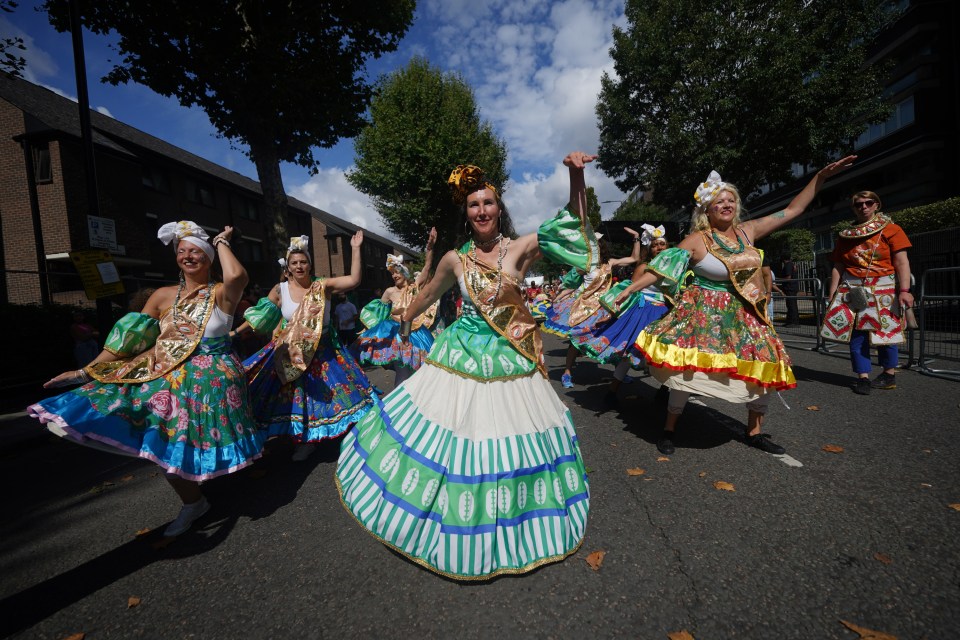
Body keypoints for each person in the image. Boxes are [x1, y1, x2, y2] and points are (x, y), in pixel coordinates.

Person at [336, 153, 594, 579]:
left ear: (499, 207)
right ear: (467, 212)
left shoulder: (521, 248)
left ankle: (516, 517)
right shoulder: (456, 258)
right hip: (461, 352)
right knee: (458, 432)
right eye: (473, 205)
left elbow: (572, 224)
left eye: (488, 203)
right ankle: (452, 512)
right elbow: (427, 296)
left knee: (508, 432)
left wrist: (576, 175)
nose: (481, 211)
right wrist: (402, 320)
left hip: (510, 354)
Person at [29, 221, 262, 537]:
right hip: (167, 379)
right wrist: (86, 371)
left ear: (209, 257)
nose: (188, 256)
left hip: (213, 382)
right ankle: (194, 503)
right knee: (166, 448)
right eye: (182, 251)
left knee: (198, 446)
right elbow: (128, 342)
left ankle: (199, 491)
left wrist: (221, 240)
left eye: (196, 251)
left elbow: (237, 275)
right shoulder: (161, 296)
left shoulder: (221, 293)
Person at [616, 157, 856, 456]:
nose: (726, 204)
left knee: (764, 366)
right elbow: (658, 270)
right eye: (719, 201)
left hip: (746, 312)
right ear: (707, 209)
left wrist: (820, 176)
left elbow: (794, 209)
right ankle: (669, 428)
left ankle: (754, 431)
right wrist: (628, 290)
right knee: (688, 370)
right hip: (704, 314)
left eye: (731, 200)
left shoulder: (748, 231)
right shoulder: (697, 240)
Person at [233, 233, 376, 461]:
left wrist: (356, 248)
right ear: (288, 267)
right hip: (291, 353)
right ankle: (304, 439)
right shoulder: (280, 290)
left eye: (303, 262)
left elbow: (354, 280)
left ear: (310, 264)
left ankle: (345, 433)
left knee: (332, 395)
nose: (299, 266)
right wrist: (234, 333)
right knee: (297, 397)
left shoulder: (323, 286)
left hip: (324, 352)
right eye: (294, 263)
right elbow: (259, 317)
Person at [822, 191, 913, 395]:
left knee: (886, 333)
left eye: (868, 203)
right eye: (858, 204)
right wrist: (832, 292)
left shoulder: (892, 229)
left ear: (876, 205)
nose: (863, 207)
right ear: (853, 208)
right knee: (857, 335)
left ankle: (889, 374)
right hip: (853, 289)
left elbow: (901, 261)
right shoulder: (845, 235)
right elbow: (838, 265)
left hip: (884, 288)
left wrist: (905, 290)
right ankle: (862, 376)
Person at [571, 224, 671, 407]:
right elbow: (629, 291)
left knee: (666, 353)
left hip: (662, 313)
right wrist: (612, 313)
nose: (659, 248)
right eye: (656, 244)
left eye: (662, 244)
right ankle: (612, 391)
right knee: (631, 352)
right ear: (650, 248)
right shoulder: (643, 267)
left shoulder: (673, 266)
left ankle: (664, 390)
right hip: (642, 312)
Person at [552, 227, 641, 389]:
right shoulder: (583, 265)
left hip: (606, 308)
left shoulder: (610, 263)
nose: (595, 247)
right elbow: (573, 285)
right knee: (575, 340)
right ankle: (567, 373)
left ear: (601, 246)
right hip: (585, 308)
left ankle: (618, 373)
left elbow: (635, 258)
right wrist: (559, 297)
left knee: (612, 338)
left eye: (597, 244)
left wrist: (636, 238)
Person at [356, 228, 438, 388]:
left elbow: (427, 267)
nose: (394, 275)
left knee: (420, 371)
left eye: (397, 272)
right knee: (402, 372)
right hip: (398, 335)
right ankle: (399, 405)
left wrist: (430, 248)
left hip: (418, 333)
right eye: (392, 273)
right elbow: (378, 313)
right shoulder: (389, 292)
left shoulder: (415, 287)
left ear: (405, 273)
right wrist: (373, 332)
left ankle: (416, 404)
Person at [778, 255, 800, 326]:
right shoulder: (792, 265)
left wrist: (778, 279)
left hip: (790, 288)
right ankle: (790, 321)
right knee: (791, 305)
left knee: (791, 305)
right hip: (792, 287)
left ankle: (794, 322)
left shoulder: (788, 265)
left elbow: (788, 277)